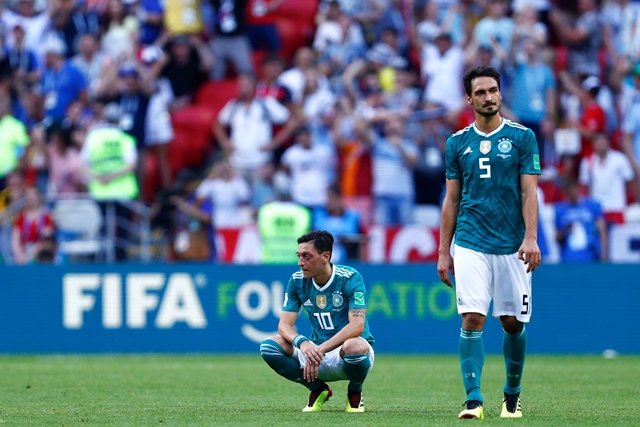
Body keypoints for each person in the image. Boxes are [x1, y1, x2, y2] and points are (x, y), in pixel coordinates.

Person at [437, 66, 542, 420]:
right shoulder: (456, 143)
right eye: (480, 92)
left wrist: (531, 237)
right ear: (469, 99)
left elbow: (530, 191)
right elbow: (451, 200)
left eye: (493, 90)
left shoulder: (522, 137)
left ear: (500, 93)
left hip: (512, 243)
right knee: (471, 319)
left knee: (511, 322)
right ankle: (474, 400)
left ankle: (511, 395)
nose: (488, 97)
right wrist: (443, 252)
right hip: (470, 241)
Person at [260, 230, 374, 413]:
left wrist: (319, 350)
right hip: (316, 351)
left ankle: (355, 392)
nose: (300, 263)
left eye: (306, 256)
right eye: (299, 256)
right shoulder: (297, 281)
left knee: (355, 347)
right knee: (269, 347)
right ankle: (318, 389)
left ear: (325, 256)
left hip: (345, 353)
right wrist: (304, 344)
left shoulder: (350, 278)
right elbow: (284, 325)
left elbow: (357, 326)